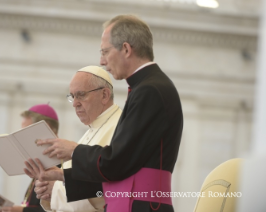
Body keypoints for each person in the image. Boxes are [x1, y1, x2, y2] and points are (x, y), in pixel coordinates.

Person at [27, 15, 183, 212]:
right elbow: (117, 175)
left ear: (126, 49)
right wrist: (61, 176)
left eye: (105, 52)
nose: (102, 61)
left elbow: (116, 162)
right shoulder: (146, 87)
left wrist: (74, 150)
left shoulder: (150, 90)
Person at [24, 66, 122, 212]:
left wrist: (55, 190)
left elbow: (108, 188)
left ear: (104, 95)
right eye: (72, 96)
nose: (75, 103)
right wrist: (49, 185)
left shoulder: (119, 127)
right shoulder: (91, 130)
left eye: (81, 95)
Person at [0, 103, 59, 212]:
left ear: (46, 128)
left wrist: (19, 211)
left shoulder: (63, 163)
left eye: (26, 133)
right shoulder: (41, 162)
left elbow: (58, 209)